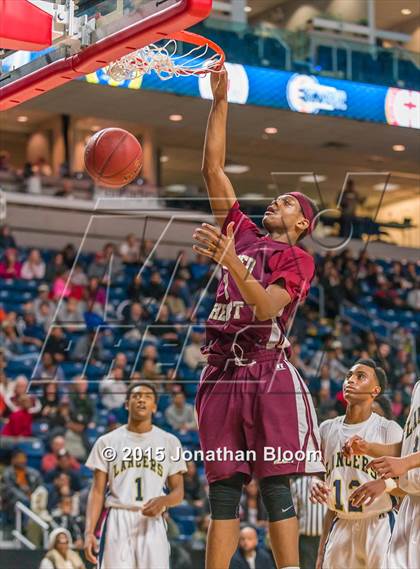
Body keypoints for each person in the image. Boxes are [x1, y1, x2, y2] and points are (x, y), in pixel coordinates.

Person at [195, 67, 324, 569]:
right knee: (223, 491)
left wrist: (228, 262)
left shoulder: (297, 259)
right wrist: (220, 101)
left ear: (301, 224)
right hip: (222, 370)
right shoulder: (244, 234)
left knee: (275, 487)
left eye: (288, 201)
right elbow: (213, 169)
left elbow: (268, 307)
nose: (277, 200)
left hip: (267, 371)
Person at [310, 360, 403, 569]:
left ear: (375, 391)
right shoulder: (326, 429)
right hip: (341, 523)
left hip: (378, 525)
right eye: (348, 376)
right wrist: (314, 482)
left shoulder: (389, 429)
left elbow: (410, 487)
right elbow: (317, 477)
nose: (350, 380)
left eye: (360, 376)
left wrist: (385, 485)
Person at [84, 382, 187, 569]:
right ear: (126, 404)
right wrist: (89, 532)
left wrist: (164, 502)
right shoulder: (106, 442)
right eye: (136, 396)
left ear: (155, 406)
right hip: (118, 517)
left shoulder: (170, 442)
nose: (141, 400)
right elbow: (97, 491)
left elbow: (179, 493)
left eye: (147, 396)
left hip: (152, 522)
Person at [345, 379, 420, 569]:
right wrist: (368, 447)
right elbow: (408, 446)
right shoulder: (417, 387)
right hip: (411, 504)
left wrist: (406, 463)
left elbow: (406, 458)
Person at [290, 476, 327, 569]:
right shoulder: (298, 484)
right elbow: (293, 516)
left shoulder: (331, 479)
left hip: (328, 538)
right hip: (306, 539)